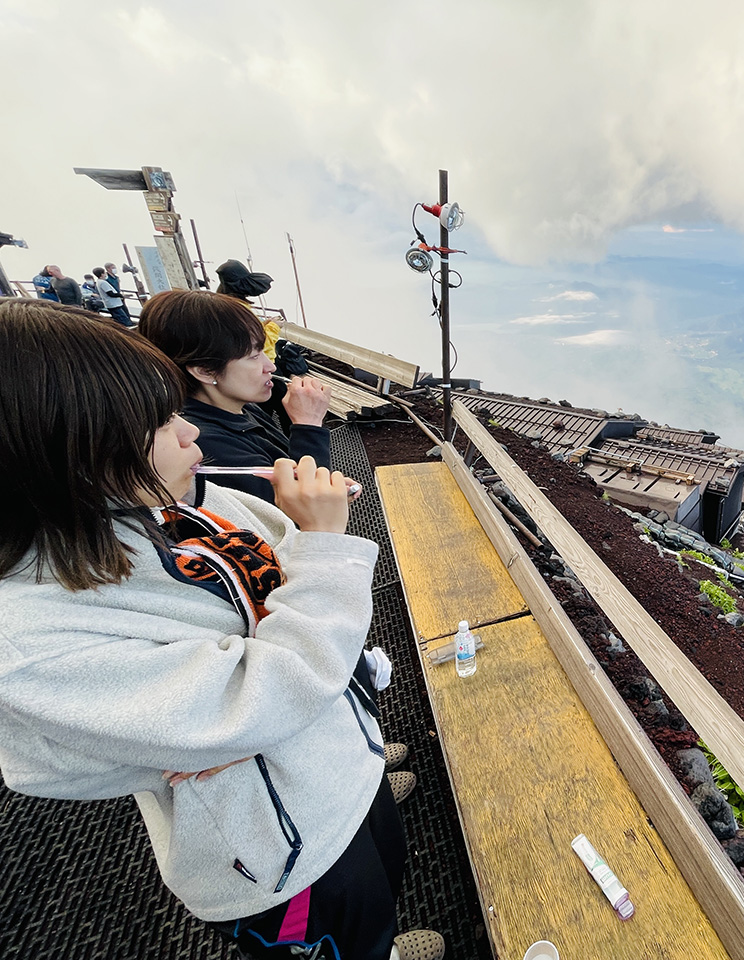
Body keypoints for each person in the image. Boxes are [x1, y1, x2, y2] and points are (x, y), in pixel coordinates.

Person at [0, 299, 443, 960]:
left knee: (380, 891)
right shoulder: (29, 635)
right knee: (341, 931)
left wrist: (231, 710)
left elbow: (305, 639)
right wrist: (183, 736)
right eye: (155, 422)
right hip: (278, 856)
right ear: (58, 453)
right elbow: (273, 687)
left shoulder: (185, 505)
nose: (189, 436)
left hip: (339, 764)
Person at [137, 290, 331, 504]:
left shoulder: (238, 406)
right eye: (254, 356)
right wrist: (308, 425)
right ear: (205, 371)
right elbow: (303, 514)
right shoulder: (207, 445)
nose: (271, 366)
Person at [216, 259, 293, 433]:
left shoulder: (224, 306)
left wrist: (263, 324)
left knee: (262, 412)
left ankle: (272, 442)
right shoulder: (238, 309)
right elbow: (258, 346)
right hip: (260, 368)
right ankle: (298, 446)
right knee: (286, 408)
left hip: (248, 370)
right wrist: (274, 327)